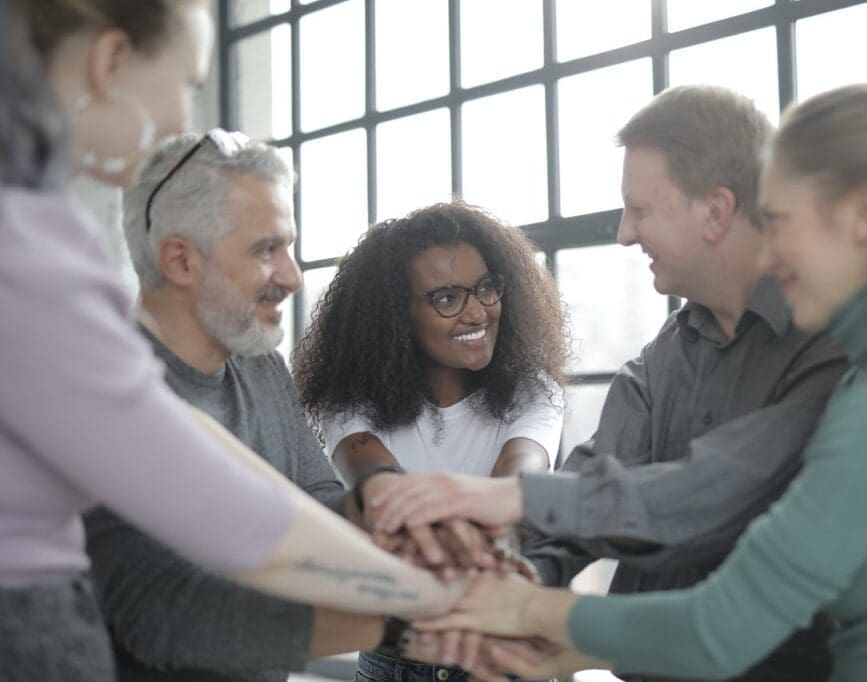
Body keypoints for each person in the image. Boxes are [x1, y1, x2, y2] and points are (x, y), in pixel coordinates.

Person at [412, 83, 867, 682]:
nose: (768, 247)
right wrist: (530, 597)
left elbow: (717, 605)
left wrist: (520, 598)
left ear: (862, 215)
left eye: (779, 220)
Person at [0, 2, 460, 680]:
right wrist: (433, 610)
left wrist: (378, 509)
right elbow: (221, 525)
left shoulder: (251, 365)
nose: (182, 122)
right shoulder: (33, 255)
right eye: (189, 81)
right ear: (111, 62)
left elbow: (238, 474)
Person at [368, 85, 848, 680]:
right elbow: (594, 484)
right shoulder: (667, 354)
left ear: (717, 211)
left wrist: (505, 502)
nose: (624, 233)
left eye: (640, 210)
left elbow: (706, 496)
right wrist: (520, 576)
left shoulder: (830, 349)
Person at [81, 131, 408, 681]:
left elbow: (312, 498)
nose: (294, 276)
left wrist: (379, 510)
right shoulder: (100, 397)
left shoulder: (259, 364)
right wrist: (407, 623)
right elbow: (170, 617)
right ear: (181, 260)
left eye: (290, 247)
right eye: (266, 250)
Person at [292, 200, 569, 682]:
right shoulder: (349, 403)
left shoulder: (534, 391)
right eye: (446, 298)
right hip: (396, 662)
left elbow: (517, 482)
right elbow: (383, 490)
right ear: (395, 315)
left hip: (502, 657)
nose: (477, 311)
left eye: (486, 287)